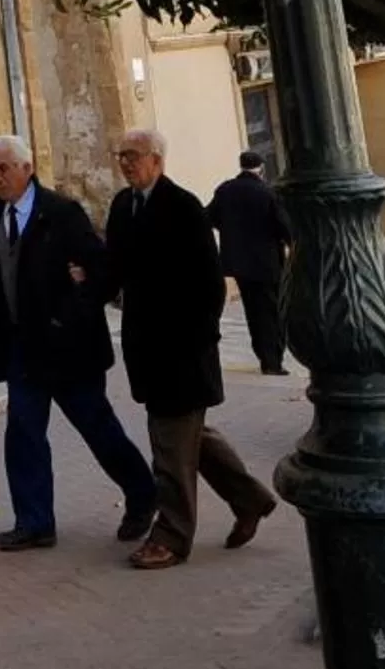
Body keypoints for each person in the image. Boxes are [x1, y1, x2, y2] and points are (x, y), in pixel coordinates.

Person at [96, 129, 278, 571]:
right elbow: (114, 269)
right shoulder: (123, 207)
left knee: (170, 446)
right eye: (121, 156)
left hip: (183, 348)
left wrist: (198, 338)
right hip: (146, 347)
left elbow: (209, 283)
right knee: (191, 437)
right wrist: (86, 286)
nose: (126, 163)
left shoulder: (183, 207)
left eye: (134, 155)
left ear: (157, 160)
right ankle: (250, 499)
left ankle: (172, 536)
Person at [0, 133, 158, 554]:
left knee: (98, 428)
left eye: (4, 168)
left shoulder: (61, 213)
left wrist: (68, 314)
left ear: (27, 168)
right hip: (23, 350)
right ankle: (34, 522)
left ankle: (143, 493)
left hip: (68, 349)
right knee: (23, 433)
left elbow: (99, 272)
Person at [207, 149, 293, 375]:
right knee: (272, 312)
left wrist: (230, 230)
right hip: (267, 264)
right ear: (261, 168)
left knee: (254, 312)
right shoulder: (268, 193)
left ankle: (264, 355)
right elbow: (284, 227)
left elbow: (209, 217)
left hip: (239, 265)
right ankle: (273, 361)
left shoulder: (225, 190)